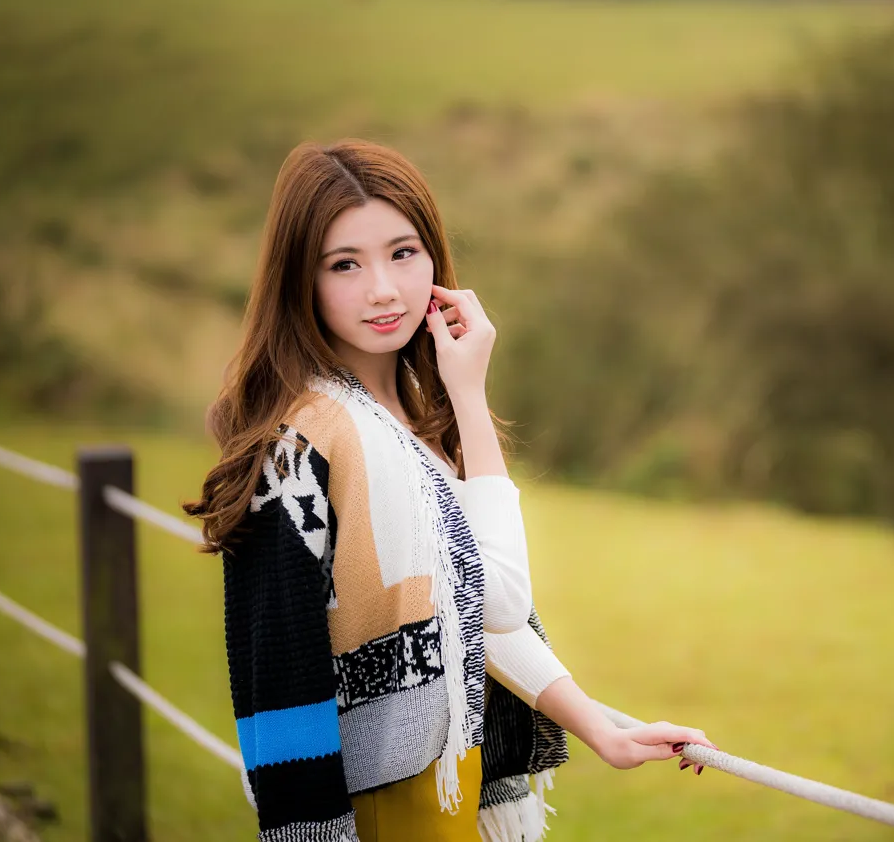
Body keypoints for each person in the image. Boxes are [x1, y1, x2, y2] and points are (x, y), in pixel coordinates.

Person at [184, 138, 717, 842]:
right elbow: (498, 598)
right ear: (299, 281)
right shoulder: (308, 440)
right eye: (345, 264)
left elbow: (460, 614)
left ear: (435, 261)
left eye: (403, 253)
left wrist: (599, 728)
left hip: (446, 775)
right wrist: (470, 395)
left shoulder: (402, 414)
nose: (384, 288)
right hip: (383, 795)